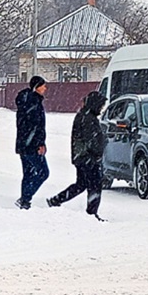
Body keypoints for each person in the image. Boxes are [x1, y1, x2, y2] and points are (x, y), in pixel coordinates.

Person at [46, 91, 108, 220]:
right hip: (88, 158)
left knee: (81, 185)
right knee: (94, 186)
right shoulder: (88, 119)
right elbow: (90, 141)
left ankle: (56, 200)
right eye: (101, 106)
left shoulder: (85, 116)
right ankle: (91, 213)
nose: (102, 109)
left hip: (82, 158)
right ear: (95, 104)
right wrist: (97, 152)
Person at [14, 75, 49, 208]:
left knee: (28, 173)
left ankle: (24, 201)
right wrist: (40, 143)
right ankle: (25, 198)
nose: (45, 88)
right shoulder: (34, 103)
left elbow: (23, 125)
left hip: (23, 144)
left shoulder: (24, 101)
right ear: (37, 87)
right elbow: (37, 126)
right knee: (43, 172)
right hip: (32, 145)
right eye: (43, 85)